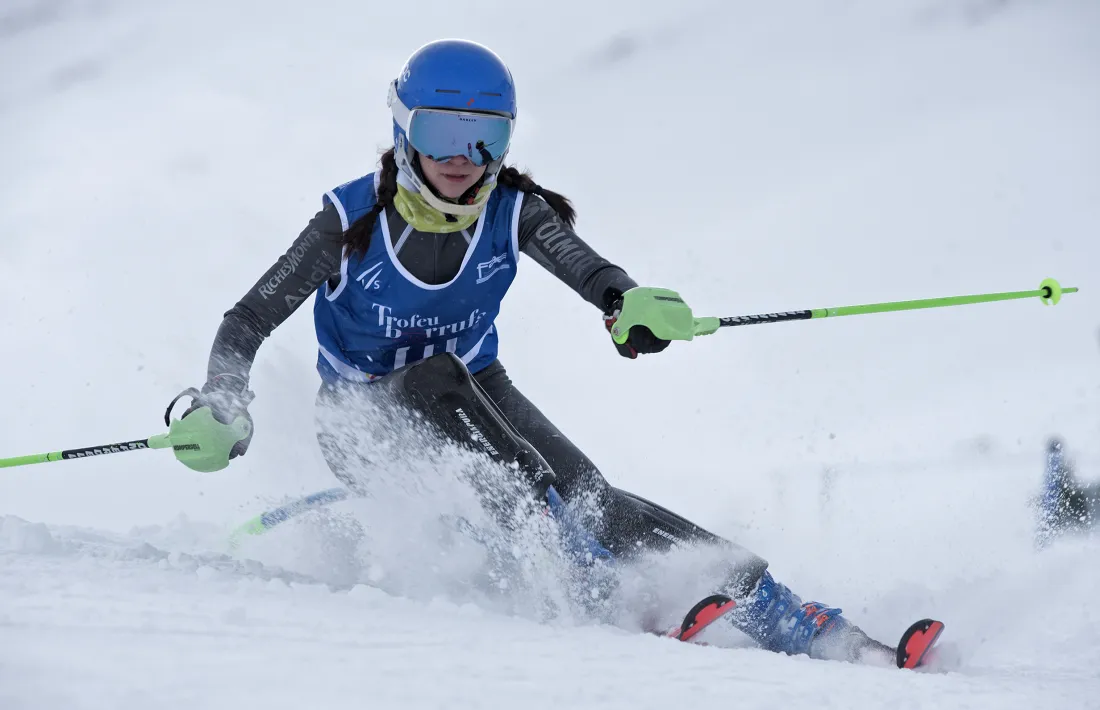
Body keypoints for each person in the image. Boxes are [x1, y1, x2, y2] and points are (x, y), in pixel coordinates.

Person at [168, 39, 920, 666]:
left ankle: (801, 622)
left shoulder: (512, 210)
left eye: (485, 137)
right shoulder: (349, 218)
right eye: (440, 135)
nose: (462, 158)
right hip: (364, 421)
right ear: (403, 133)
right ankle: (594, 584)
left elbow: (585, 267)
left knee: (590, 495)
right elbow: (247, 321)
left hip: (476, 392)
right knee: (500, 449)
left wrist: (626, 304)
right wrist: (224, 397)